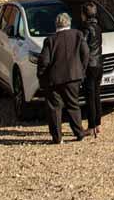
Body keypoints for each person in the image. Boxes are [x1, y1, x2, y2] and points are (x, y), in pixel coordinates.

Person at [37, 12, 88, 144]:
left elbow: (44, 61)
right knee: (73, 105)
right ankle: (79, 133)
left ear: (56, 24)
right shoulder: (78, 35)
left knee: (54, 108)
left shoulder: (50, 40)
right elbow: (85, 53)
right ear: (69, 23)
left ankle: (57, 137)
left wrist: (41, 76)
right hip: (73, 76)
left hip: (54, 78)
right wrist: (81, 70)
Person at [81, 2, 103, 137]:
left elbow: (83, 47)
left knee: (90, 97)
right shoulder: (98, 28)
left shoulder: (86, 29)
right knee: (97, 95)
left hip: (90, 65)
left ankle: (91, 126)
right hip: (99, 64)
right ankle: (98, 124)